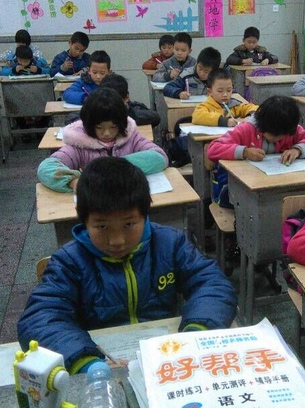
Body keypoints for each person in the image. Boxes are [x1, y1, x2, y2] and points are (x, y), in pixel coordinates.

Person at [19, 156, 237, 371]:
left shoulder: (169, 244)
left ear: (144, 215)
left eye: (129, 224)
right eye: (102, 227)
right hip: (101, 361)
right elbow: (41, 317)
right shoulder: (69, 261)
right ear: (84, 220)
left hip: (167, 357)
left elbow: (212, 284)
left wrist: (196, 332)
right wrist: (85, 361)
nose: (117, 240)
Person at [38, 87, 168, 193]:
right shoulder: (79, 144)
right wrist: (72, 181)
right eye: (99, 127)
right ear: (89, 125)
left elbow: (159, 157)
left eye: (113, 127)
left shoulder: (130, 137)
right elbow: (46, 168)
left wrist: (112, 167)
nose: (107, 133)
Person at [207, 95, 305, 164]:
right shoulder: (246, 129)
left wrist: (298, 150)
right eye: (273, 134)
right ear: (262, 124)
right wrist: (245, 152)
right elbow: (213, 149)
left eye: (281, 136)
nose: (276, 139)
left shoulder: (288, 128)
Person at [192, 68, 258, 126]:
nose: (225, 94)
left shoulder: (234, 105)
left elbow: (255, 108)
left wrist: (249, 117)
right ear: (209, 92)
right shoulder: (206, 106)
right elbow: (197, 116)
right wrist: (224, 121)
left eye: (229, 90)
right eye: (220, 91)